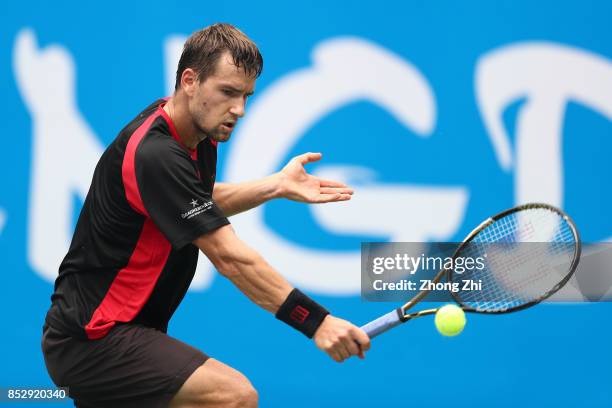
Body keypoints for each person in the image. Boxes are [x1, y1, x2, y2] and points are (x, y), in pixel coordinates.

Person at [41, 23, 371, 408]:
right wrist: (316, 321)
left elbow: (192, 200)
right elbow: (229, 256)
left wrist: (276, 186)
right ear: (190, 80)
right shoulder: (156, 153)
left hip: (119, 332)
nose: (239, 110)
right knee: (233, 396)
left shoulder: (192, 132)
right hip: (95, 339)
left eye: (246, 95)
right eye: (228, 92)